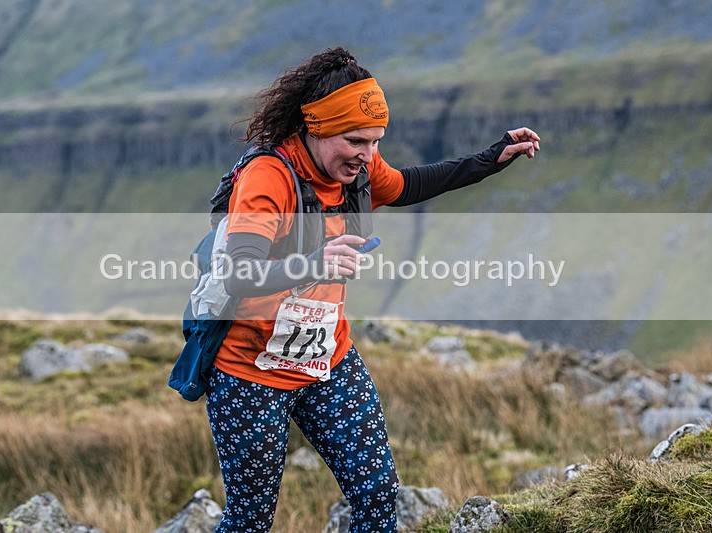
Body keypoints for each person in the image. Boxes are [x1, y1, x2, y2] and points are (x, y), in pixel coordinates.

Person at [205, 46, 540, 532]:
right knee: (251, 519)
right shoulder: (268, 176)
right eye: (355, 140)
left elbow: (408, 185)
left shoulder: (358, 171)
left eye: (376, 141)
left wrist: (490, 159)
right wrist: (313, 264)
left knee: (378, 497)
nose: (366, 155)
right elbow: (238, 272)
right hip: (250, 373)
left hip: (328, 359)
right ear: (315, 127)